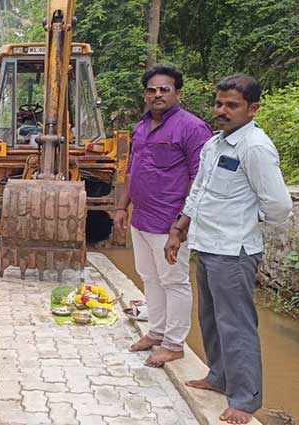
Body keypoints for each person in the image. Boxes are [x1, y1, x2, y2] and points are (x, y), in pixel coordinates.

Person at [164, 74, 292, 425]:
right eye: (219, 103)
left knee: (236, 325)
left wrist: (247, 219)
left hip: (234, 252)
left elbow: (279, 206)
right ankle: (218, 376)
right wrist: (179, 229)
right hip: (206, 245)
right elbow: (199, 191)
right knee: (211, 319)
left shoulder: (255, 148)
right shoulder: (215, 144)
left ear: (253, 109)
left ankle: (245, 400)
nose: (222, 111)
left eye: (231, 105)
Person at [113, 64, 212, 368]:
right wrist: (121, 206)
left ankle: (174, 344)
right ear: (146, 94)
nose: (157, 94)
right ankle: (156, 332)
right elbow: (132, 170)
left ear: (177, 93)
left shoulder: (192, 128)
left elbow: (201, 180)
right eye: (152, 90)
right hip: (141, 219)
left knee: (174, 281)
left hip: (169, 222)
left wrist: (180, 226)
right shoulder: (141, 127)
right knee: (150, 278)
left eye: (164, 89)